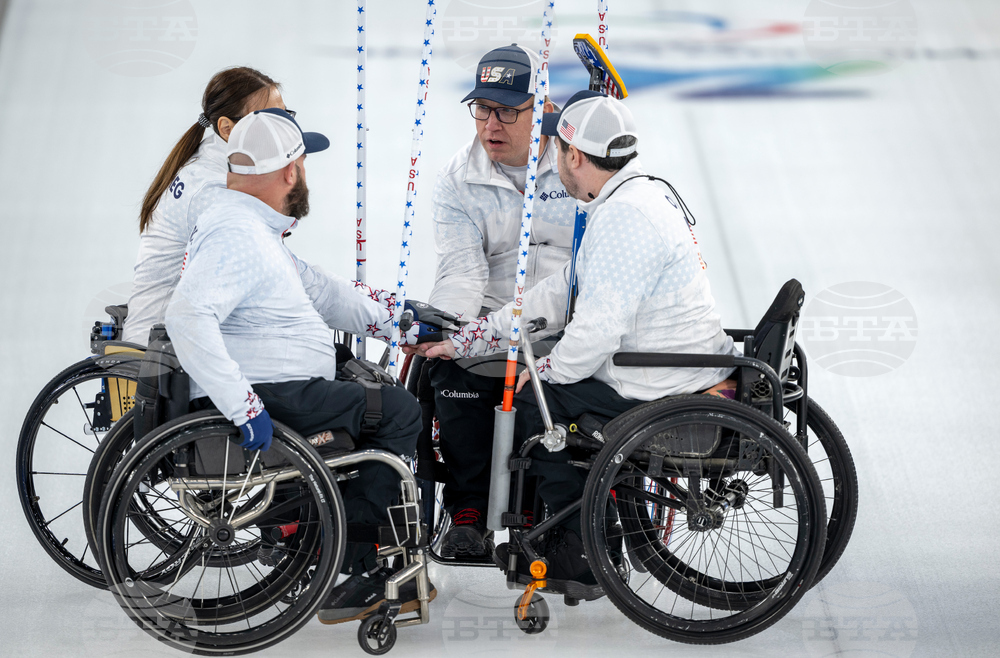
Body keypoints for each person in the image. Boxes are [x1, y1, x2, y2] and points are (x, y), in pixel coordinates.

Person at [421, 91, 737, 586]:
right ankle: (575, 531)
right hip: (665, 362)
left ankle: (578, 550)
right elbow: (558, 291)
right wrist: (472, 338)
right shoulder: (631, 198)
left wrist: (543, 373)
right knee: (539, 385)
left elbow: (594, 331)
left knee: (537, 402)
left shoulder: (624, 219)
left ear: (573, 153)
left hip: (657, 377)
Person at [164, 108, 433, 626]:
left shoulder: (249, 226)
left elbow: (321, 291)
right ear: (290, 170)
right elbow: (187, 313)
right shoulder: (237, 234)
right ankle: (363, 564)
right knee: (397, 411)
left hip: (281, 385)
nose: (305, 175)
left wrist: (394, 322)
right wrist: (245, 407)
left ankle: (317, 536)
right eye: (304, 163)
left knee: (365, 391)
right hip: (273, 393)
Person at [423, 44, 576, 558]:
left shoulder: (579, 164)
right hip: (490, 316)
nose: (492, 123)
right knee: (451, 365)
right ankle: (467, 507)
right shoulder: (456, 177)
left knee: (554, 387)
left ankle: (540, 507)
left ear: (545, 110)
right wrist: (452, 331)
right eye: (483, 109)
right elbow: (461, 270)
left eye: (509, 111)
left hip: (562, 321)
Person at [123, 66, 287, 344]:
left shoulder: (219, 164)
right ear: (227, 128)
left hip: (181, 336)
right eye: (268, 121)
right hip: (165, 354)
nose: (284, 131)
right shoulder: (214, 190)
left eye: (285, 116)